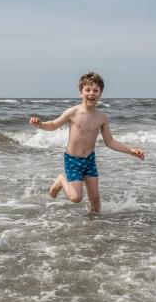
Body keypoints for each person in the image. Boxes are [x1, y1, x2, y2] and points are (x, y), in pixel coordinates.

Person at [29, 72, 144, 213]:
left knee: (95, 200)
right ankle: (60, 181)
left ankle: (93, 229)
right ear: (81, 93)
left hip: (89, 160)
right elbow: (53, 125)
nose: (91, 93)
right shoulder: (73, 112)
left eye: (95, 90)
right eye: (88, 90)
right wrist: (40, 124)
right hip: (72, 160)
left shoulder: (101, 117)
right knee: (76, 198)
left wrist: (130, 150)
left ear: (100, 93)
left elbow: (110, 141)